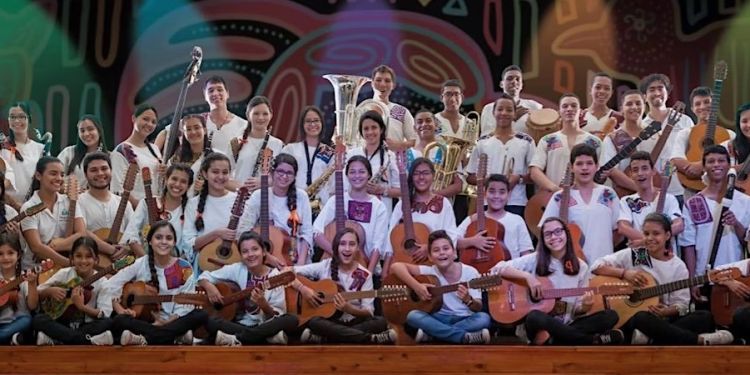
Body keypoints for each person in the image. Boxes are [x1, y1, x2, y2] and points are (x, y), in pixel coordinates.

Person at [591, 213, 734, 345]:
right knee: (642, 317)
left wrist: (666, 311)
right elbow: (597, 266)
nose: (650, 238)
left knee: (704, 317)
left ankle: (650, 338)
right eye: (646, 233)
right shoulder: (639, 255)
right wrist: (624, 273)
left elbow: (682, 305)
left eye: (656, 233)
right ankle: (699, 340)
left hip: (663, 320)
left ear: (667, 235)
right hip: (633, 320)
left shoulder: (677, 265)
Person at [494, 217, 622, 345]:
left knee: (610, 316)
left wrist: (584, 307)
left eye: (558, 231)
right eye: (548, 234)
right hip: (540, 324)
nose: (554, 237)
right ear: (543, 240)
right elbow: (497, 268)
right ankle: (591, 340)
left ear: (566, 233)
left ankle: (555, 339)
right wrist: (528, 278)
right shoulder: (534, 259)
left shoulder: (581, 266)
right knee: (534, 316)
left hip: (567, 323)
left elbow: (577, 310)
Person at [103, 221, 208, 345]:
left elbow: (186, 304)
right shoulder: (140, 263)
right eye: (158, 237)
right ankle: (173, 338)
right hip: (144, 321)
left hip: (174, 322)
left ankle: (144, 339)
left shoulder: (184, 267)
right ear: (150, 242)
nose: (163, 242)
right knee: (119, 320)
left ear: (174, 242)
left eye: (168, 238)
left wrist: (168, 321)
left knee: (200, 315)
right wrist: (120, 309)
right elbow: (110, 285)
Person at [294, 228, 396, 344]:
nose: (347, 249)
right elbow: (288, 272)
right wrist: (303, 289)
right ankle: (370, 339)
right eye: (343, 244)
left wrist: (349, 309)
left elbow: (368, 312)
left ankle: (327, 339)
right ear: (336, 247)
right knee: (314, 321)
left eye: (352, 244)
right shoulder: (325, 266)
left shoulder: (365, 275)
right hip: (329, 322)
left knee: (380, 321)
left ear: (358, 248)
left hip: (354, 322)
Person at [391, 230, 491, 344]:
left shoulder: (471, 272)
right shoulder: (429, 271)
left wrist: (469, 300)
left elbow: (478, 307)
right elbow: (396, 266)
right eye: (436, 250)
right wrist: (417, 286)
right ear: (430, 257)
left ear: (454, 253)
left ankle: (434, 335)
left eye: (446, 248)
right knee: (412, 316)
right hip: (437, 317)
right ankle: (464, 337)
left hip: (464, 318)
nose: (442, 253)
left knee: (483, 318)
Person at [199, 231, 298, 346]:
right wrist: (209, 286)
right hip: (241, 325)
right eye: (245, 251)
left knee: (291, 320)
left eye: (255, 249)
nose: (250, 254)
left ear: (264, 252)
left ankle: (237, 339)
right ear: (240, 256)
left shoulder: (275, 276)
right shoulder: (237, 269)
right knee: (211, 322)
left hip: (265, 326)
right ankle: (265, 339)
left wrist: (263, 304)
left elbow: (277, 315)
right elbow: (204, 276)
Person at [681, 145, 750, 300]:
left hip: (735, 274)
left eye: (721, 160)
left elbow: (747, 240)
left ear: (728, 164)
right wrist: (692, 280)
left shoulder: (745, 201)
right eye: (711, 161)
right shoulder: (693, 203)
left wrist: (736, 223)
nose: (716, 165)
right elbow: (688, 245)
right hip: (704, 276)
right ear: (704, 166)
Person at [539, 144, 619, 263]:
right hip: (572, 266)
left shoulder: (608, 194)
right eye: (579, 164)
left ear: (597, 166)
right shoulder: (560, 197)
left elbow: (618, 230)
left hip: (605, 265)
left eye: (589, 163)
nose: (585, 168)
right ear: (571, 167)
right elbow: (546, 231)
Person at [312, 156, 387, 274]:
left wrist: (368, 273)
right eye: (352, 172)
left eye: (362, 172)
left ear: (369, 175)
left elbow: (378, 244)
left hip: (363, 264)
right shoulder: (336, 200)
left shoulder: (379, 206)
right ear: (346, 175)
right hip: (331, 261)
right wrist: (338, 252)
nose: (357, 176)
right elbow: (316, 231)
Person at [385, 158, 459, 277]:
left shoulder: (443, 203)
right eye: (416, 173)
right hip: (402, 264)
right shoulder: (402, 204)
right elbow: (391, 237)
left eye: (425, 173)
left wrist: (430, 248)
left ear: (433, 175)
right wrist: (386, 267)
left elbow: (451, 235)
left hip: (432, 265)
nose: (421, 177)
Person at [33, 237, 114, 345]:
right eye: (78, 256)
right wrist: (49, 291)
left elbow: (104, 314)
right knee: (38, 319)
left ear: (96, 260)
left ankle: (58, 339)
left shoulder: (103, 282)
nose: (83, 261)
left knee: (107, 322)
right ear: (72, 258)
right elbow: (37, 292)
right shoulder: (64, 273)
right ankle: (88, 341)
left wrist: (82, 307)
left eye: (89, 256)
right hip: (61, 322)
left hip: (86, 325)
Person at [238, 153, 313, 266]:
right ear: (272, 173)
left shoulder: (301, 196)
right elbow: (244, 230)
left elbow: (307, 232)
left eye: (289, 173)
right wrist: (266, 256)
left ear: (294, 176)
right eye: (280, 171)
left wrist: (301, 264)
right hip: (260, 260)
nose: (284, 176)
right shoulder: (259, 195)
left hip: (294, 258)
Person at [467, 94, 535, 217]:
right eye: (500, 109)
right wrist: (486, 180)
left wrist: (518, 178)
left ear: (515, 114)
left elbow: (534, 175)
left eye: (509, 110)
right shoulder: (482, 142)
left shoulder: (526, 141)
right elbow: (470, 177)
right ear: (493, 112)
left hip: (516, 203)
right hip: (488, 202)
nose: (504, 113)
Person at [155, 75, 247, 158]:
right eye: (211, 91)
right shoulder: (197, 121)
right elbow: (165, 133)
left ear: (227, 94)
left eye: (219, 89)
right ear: (205, 96)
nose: (215, 93)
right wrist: (155, 158)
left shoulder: (243, 125)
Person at [20, 157, 86, 268]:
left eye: (62, 174)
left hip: (67, 268)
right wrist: (68, 263)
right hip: (36, 269)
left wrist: (57, 245)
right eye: (53, 174)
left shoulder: (69, 201)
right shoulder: (29, 207)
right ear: (38, 176)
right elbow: (36, 247)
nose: (59, 178)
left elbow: (82, 234)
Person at [638, 74, 694, 204]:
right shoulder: (640, 126)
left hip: (683, 190)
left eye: (660, 88)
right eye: (651, 89)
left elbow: (694, 151)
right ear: (644, 97)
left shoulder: (684, 120)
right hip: (654, 192)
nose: (657, 93)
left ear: (667, 94)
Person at [529, 94, 602, 193]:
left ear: (580, 112)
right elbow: (535, 171)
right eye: (565, 106)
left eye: (573, 105)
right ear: (559, 112)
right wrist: (555, 189)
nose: (569, 109)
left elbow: (601, 170)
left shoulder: (594, 142)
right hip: (553, 198)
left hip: (585, 199)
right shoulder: (547, 140)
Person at [120, 164, 192, 259]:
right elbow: (131, 236)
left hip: (174, 266)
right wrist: (149, 261)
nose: (177, 184)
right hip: (145, 263)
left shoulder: (190, 209)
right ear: (166, 179)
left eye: (183, 182)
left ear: (188, 186)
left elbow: (190, 245)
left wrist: (173, 265)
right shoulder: (148, 203)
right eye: (174, 179)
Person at [182, 153, 239, 273]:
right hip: (205, 264)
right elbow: (188, 244)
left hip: (232, 264)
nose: (220, 176)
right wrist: (216, 234)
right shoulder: (193, 204)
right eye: (215, 172)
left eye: (225, 172)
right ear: (204, 174)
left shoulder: (239, 201)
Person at [617, 151, 683, 251]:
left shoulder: (669, 199)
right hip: (640, 255)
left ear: (653, 171)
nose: (640, 173)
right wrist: (650, 240)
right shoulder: (627, 201)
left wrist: (646, 241)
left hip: (664, 255)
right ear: (631, 174)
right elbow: (623, 227)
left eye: (645, 168)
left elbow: (679, 225)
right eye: (635, 170)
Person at [457, 174, 533, 259]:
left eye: (502, 192)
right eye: (492, 191)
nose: (496, 196)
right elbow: (453, 242)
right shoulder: (473, 219)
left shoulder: (517, 220)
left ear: (508, 195)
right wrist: (472, 241)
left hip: (510, 269)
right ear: (485, 193)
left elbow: (526, 253)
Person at [77, 152, 133, 261]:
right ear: (85, 174)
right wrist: (109, 249)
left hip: (122, 263)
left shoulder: (124, 202)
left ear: (111, 171)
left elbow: (133, 232)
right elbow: (81, 231)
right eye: (94, 170)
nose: (100, 173)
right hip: (91, 263)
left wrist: (127, 247)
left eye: (104, 168)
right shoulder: (78, 202)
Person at [599, 90, 657, 193]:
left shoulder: (654, 135)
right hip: (624, 197)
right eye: (629, 104)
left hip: (654, 195)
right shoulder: (612, 138)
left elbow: (661, 166)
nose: (634, 107)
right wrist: (642, 189)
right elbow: (612, 171)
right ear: (621, 109)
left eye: (638, 103)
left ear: (644, 106)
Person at [346, 111, 400, 220]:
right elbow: (343, 187)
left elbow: (401, 191)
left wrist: (382, 190)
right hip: (354, 213)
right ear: (361, 132)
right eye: (366, 129)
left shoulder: (390, 156)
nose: (370, 132)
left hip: (380, 215)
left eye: (374, 127)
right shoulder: (352, 154)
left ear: (381, 129)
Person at [280, 106, 334, 210]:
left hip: (320, 207)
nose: (312, 124)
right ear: (302, 125)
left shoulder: (330, 153)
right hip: (293, 204)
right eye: (308, 121)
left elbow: (333, 186)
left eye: (316, 120)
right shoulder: (290, 149)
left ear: (322, 123)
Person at [111, 103, 163, 205]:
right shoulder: (121, 151)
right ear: (134, 118)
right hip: (134, 213)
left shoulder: (155, 149)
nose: (149, 124)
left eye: (153, 122)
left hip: (155, 211)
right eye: (145, 119)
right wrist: (141, 209)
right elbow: (118, 189)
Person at [231, 96, 284, 190]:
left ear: (271, 115)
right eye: (256, 113)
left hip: (266, 200)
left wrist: (263, 182)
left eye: (265, 114)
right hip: (238, 198)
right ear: (248, 115)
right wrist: (242, 190)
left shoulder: (279, 145)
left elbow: (284, 176)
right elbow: (225, 177)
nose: (260, 117)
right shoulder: (235, 143)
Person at [480, 65, 543, 137]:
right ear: (501, 84)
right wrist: (512, 119)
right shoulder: (489, 108)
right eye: (509, 78)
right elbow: (485, 139)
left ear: (522, 85)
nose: (514, 81)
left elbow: (543, 135)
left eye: (517, 79)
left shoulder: (534, 106)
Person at [3, 101, 46, 206]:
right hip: (6, 209)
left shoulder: (40, 149)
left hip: (32, 209)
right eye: (12, 117)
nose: (17, 121)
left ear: (29, 118)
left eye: (21, 116)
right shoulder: (2, 147)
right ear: (8, 120)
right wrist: (16, 206)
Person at [57, 115, 116, 191]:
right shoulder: (69, 153)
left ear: (99, 131)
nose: (86, 134)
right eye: (82, 131)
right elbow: (56, 179)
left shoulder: (111, 157)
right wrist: (72, 188)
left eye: (90, 129)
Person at [0, 232, 38, 345]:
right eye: (0, 254)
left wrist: (32, 284)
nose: (5, 257)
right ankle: (12, 339)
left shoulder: (24, 278)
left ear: (19, 255)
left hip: (16, 324)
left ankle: (8, 337)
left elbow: (32, 306)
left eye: (10, 253)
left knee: (27, 320)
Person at [370, 64, 417, 150]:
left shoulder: (400, 111)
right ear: (372, 83)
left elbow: (415, 141)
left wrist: (399, 145)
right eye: (378, 80)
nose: (383, 84)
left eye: (387, 81)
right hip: (364, 161)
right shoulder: (362, 109)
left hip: (394, 161)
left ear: (393, 85)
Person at [579, 72, 622, 138]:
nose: (602, 91)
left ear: (611, 93)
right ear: (590, 90)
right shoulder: (579, 117)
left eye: (607, 88)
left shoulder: (619, 118)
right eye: (598, 87)